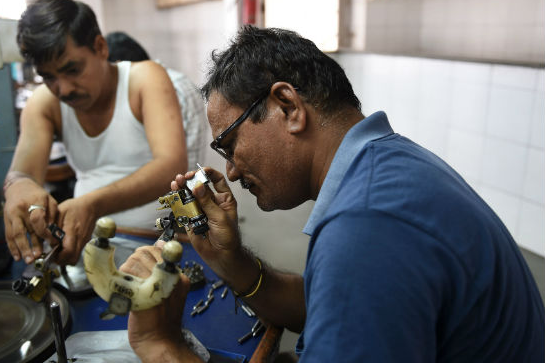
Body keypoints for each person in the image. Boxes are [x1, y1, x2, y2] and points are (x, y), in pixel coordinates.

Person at [120, 26, 545, 362]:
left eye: (229, 145)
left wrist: (162, 346)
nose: (230, 170)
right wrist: (230, 260)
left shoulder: (367, 223)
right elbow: (329, 308)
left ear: (288, 107)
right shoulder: (387, 165)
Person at [3, 0, 188, 265]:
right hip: (90, 246)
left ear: (100, 47)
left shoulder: (143, 80)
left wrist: (93, 205)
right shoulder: (44, 103)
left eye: (72, 70)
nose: (63, 89)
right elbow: (22, 172)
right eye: (49, 77)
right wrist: (17, 187)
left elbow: (171, 165)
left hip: (162, 244)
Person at [105, 31, 207, 170]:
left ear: (122, 65)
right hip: (188, 179)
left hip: (174, 184)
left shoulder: (160, 89)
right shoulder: (177, 79)